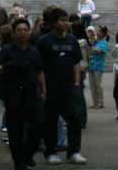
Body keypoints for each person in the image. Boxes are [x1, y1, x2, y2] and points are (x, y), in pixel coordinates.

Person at [0, 17, 45, 170]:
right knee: (15, 132)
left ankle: (27, 155)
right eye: (19, 31)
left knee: (38, 129)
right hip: (13, 97)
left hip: (32, 96)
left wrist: (44, 90)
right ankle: (19, 163)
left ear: (29, 33)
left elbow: (40, 72)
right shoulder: (6, 51)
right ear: (14, 34)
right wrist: (6, 68)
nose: (22, 33)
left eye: (25, 30)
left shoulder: (34, 52)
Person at [37, 10, 86, 164]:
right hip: (51, 88)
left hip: (70, 87)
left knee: (74, 120)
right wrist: (42, 89)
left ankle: (74, 152)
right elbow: (39, 68)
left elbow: (76, 62)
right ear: (53, 23)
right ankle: (50, 152)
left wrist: (77, 83)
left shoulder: (72, 40)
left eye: (66, 20)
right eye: (62, 20)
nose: (66, 23)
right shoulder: (44, 41)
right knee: (50, 121)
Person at [87, 26, 107, 108]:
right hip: (91, 65)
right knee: (92, 85)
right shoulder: (95, 41)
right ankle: (94, 102)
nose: (97, 33)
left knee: (98, 84)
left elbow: (99, 51)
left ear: (102, 33)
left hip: (98, 66)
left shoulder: (103, 42)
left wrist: (91, 47)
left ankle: (100, 102)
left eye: (98, 31)